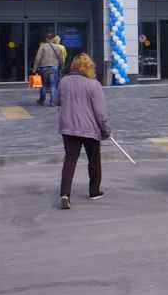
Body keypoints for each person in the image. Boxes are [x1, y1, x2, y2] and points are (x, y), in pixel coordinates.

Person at [56, 53, 110, 210]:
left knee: (70, 160)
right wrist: (106, 130)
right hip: (90, 128)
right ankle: (94, 191)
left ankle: (65, 194)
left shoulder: (64, 81)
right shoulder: (94, 84)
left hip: (68, 127)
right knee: (94, 159)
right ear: (89, 67)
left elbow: (57, 101)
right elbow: (100, 112)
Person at [32, 33, 64, 106]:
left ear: (46, 39)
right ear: (53, 39)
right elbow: (61, 59)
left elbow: (38, 58)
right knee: (53, 85)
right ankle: (52, 102)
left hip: (44, 67)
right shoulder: (58, 47)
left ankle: (42, 100)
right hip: (54, 67)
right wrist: (61, 67)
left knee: (43, 84)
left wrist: (35, 68)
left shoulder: (42, 46)